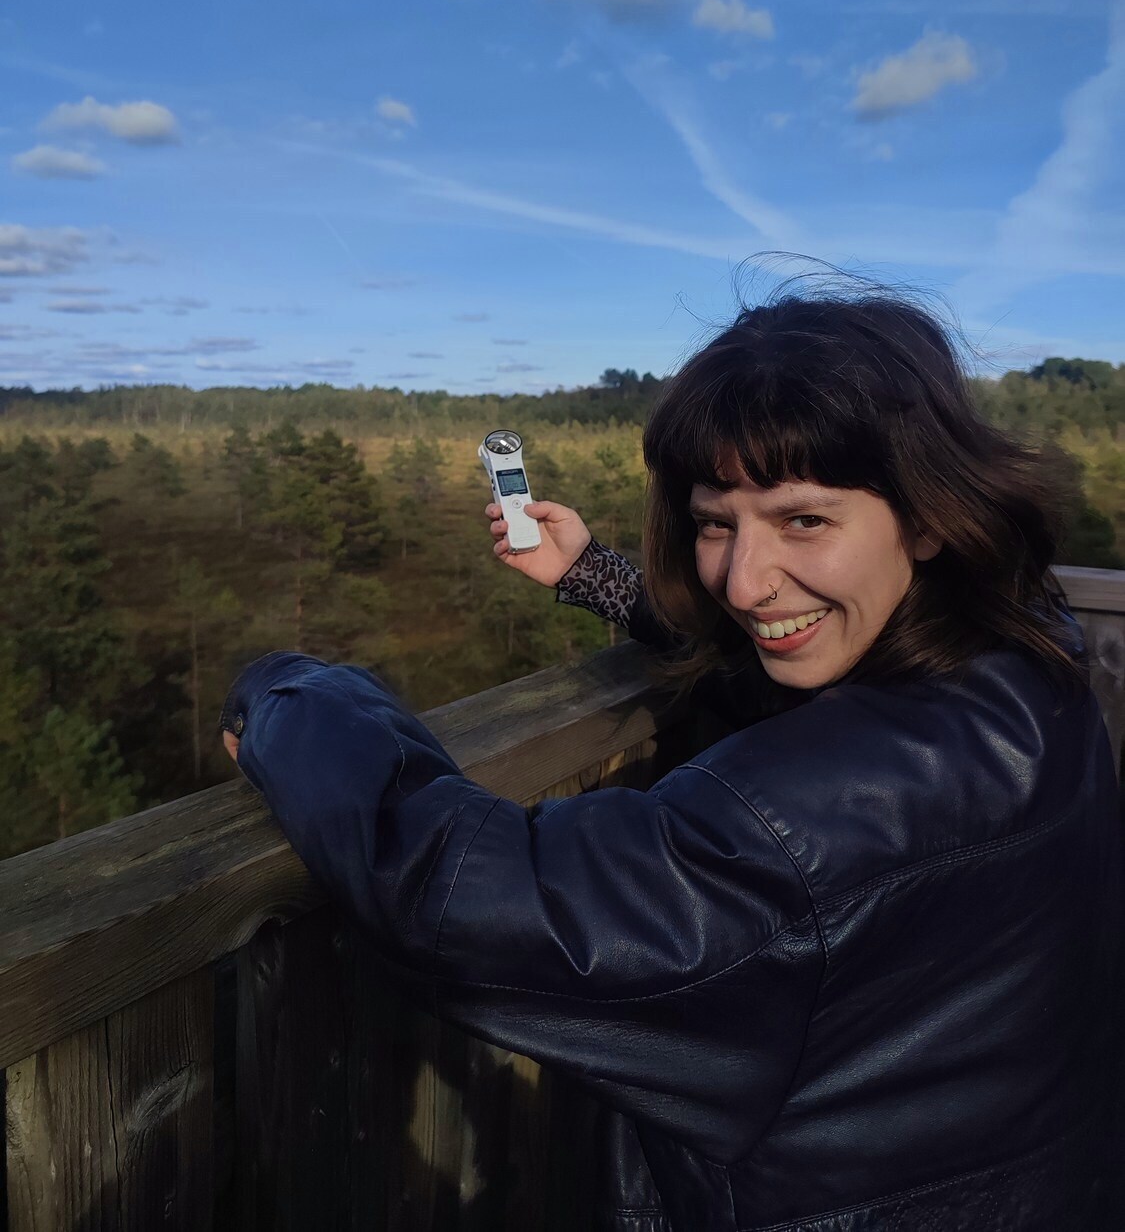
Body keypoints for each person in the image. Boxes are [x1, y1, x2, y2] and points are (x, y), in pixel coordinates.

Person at [220, 272, 1123, 1231]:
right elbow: (774, 650)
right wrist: (596, 576)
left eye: (803, 520)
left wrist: (293, 694)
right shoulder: (1026, 651)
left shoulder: (836, 801)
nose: (744, 580)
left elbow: (462, 896)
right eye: (712, 524)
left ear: (929, 515)